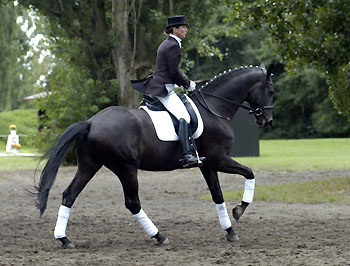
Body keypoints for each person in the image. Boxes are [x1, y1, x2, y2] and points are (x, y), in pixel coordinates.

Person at [142, 15, 203, 168]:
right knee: (184, 116)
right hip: (163, 90)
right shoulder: (172, 45)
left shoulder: (168, 43)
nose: (186, 30)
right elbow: (174, 72)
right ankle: (187, 155)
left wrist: (179, 84)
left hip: (164, 85)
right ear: (175, 29)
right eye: (183, 27)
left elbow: (168, 72)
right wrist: (188, 84)